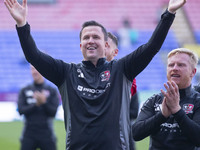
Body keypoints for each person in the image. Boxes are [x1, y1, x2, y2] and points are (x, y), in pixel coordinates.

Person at [4, 0, 186, 149]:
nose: (91, 40)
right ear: (80, 46)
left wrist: (168, 13)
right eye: (86, 38)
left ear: (106, 45)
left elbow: (151, 47)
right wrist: (22, 24)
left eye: (96, 37)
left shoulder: (122, 69)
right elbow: (33, 56)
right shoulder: (66, 72)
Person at [132, 48, 200, 150]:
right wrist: (162, 115)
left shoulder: (197, 100)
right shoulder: (154, 100)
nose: (175, 68)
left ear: (193, 72)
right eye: (171, 65)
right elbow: (136, 133)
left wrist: (177, 111)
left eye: (181, 65)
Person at [106, 31, 139, 150]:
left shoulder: (127, 79)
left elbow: (134, 111)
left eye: (107, 46)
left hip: (122, 135)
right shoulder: (83, 76)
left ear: (115, 52)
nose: (102, 49)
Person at [17, 65, 60, 150]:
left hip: (47, 134)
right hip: (29, 134)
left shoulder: (52, 90)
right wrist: (36, 104)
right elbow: (21, 110)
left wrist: (44, 102)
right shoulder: (25, 90)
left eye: (37, 68)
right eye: (32, 69)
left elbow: (53, 112)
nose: (35, 71)